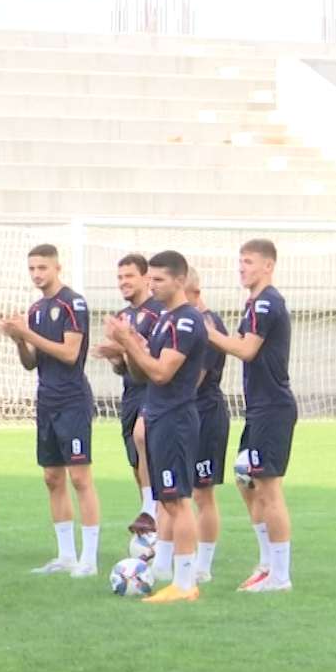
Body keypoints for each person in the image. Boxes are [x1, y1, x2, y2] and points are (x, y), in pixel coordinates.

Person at [105, 250, 206, 603]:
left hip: (176, 419)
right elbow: (142, 373)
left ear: (180, 280)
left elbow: (162, 373)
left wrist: (130, 343)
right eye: (151, 279)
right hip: (159, 416)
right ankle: (171, 574)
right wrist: (129, 346)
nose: (153, 285)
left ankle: (186, 583)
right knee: (167, 501)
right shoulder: (165, 319)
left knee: (178, 501)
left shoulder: (186, 321)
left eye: (159, 279)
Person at [0, 244, 102, 576]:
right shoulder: (36, 309)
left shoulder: (73, 303)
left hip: (72, 400)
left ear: (58, 267)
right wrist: (19, 340)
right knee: (52, 477)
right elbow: (32, 363)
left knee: (80, 478)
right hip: (46, 400)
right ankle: (66, 555)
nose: (36, 274)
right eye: (31, 268)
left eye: (42, 267)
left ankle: (89, 558)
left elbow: (70, 354)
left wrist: (27, 332)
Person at [204, 238, 295, 592]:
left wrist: (208, 333)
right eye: (240, 261)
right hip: (258, 408)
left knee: (268, 488)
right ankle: (266, 563)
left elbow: (245, 349)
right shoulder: (253, 304)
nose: (242, 268)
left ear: (268, 265)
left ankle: (280, 576)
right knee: (246, 477)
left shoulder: (267, 303)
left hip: (272, 408)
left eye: (249, 262)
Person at [94, 254, 164, 544]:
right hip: (131, 393)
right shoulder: (123, 316)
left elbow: (156, 356)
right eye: (120, 277)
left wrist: (125, 346)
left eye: (129, 276)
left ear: (145, 278)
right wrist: (114, 357)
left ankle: (153, 511)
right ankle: (152, 523)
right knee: (137, 462)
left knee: (143, 439)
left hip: (154, 391)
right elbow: (123, 368)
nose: (123, 282)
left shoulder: (159, 311)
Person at [186, 268, 228, 584]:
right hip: (184, 417)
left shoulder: (210, 327)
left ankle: (203, 566)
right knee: (179, 493)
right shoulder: (183, 323)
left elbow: (192, 382)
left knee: (203, 494)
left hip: (206, 415)